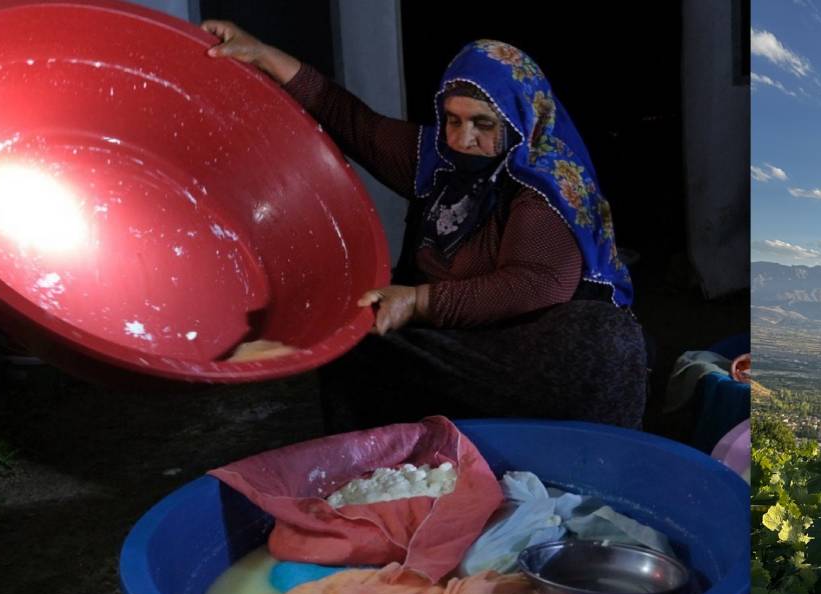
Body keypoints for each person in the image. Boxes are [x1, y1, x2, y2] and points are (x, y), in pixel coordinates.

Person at [201, 21, 647, 429]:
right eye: (453, 120)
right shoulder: (439, 158)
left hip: (529, 352)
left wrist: (417, 302)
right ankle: (384, 465)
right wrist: (263, 54)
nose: (463, 138)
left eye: (482, 124)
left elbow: (534, 285)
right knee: (358, 340)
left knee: (596, 346)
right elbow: (352, 121)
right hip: (459, 337)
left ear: (519, 120)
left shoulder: (544, 186)